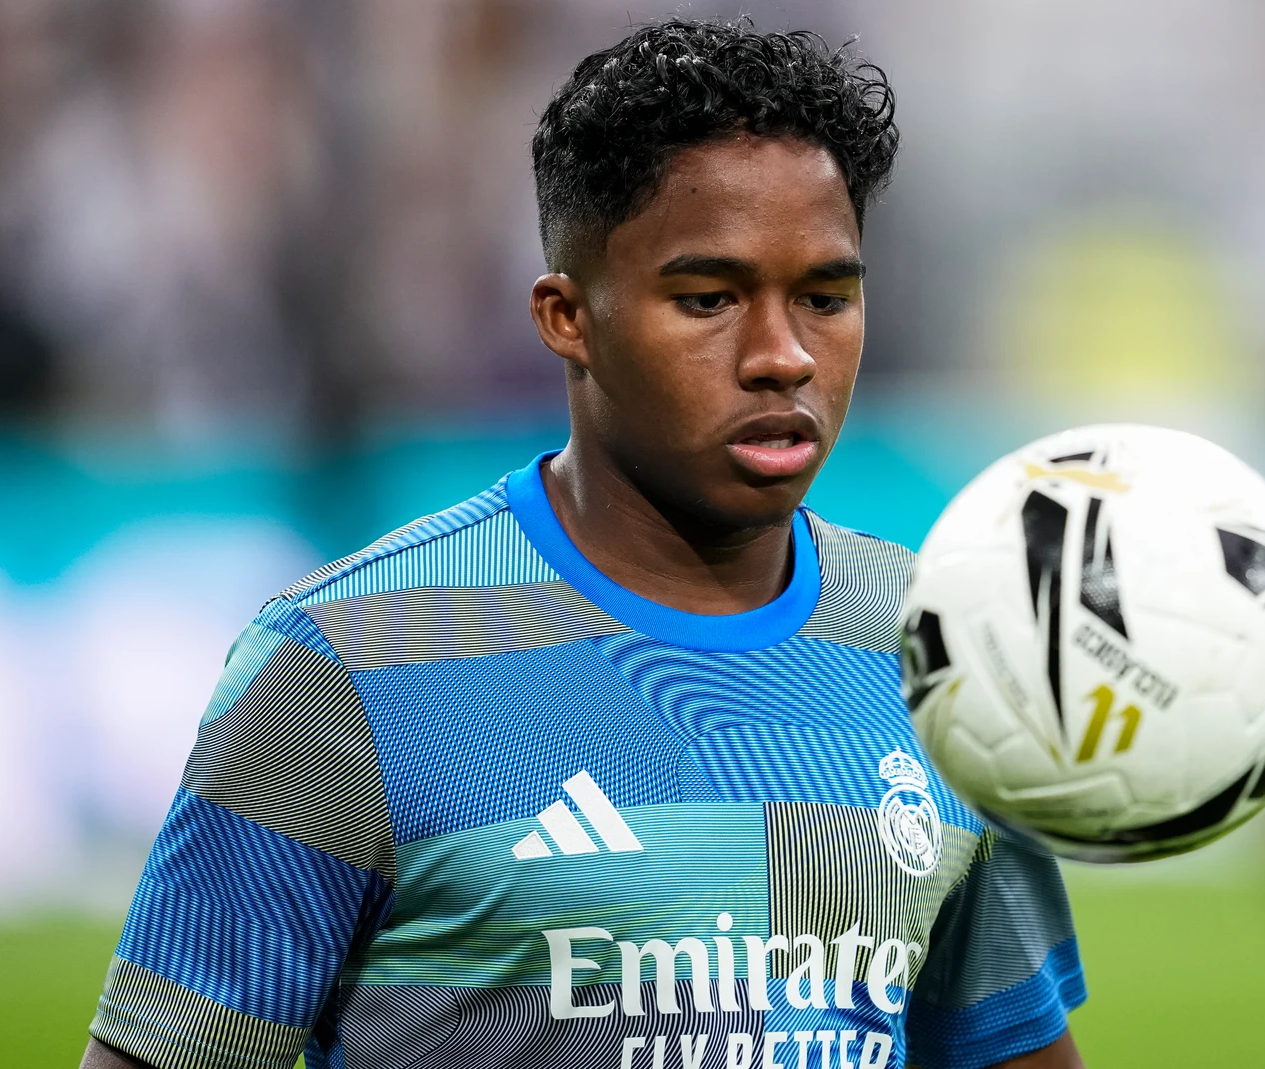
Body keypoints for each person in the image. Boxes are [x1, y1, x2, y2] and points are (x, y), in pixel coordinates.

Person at [81, 20, 1086, 1069]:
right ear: (569, 318)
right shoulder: (342, 665)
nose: (784, 356)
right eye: (708, 299)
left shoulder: (943, 653)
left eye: (826, 298)